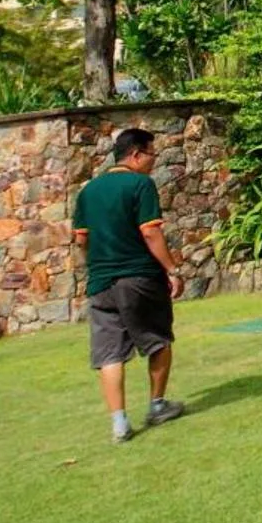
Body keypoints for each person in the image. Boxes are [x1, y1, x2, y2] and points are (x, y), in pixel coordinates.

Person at [72, 127, 186, 444]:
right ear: (135, 154)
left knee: (110, 354)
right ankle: (157, 405)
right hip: (139, 278)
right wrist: (172, 270)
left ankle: (119, 424)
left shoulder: (88, 192)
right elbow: (151, 233)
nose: (154, 161)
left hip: (100, 284)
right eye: (152, 154)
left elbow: (82, 239)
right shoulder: (140, 185)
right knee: (158, 339)